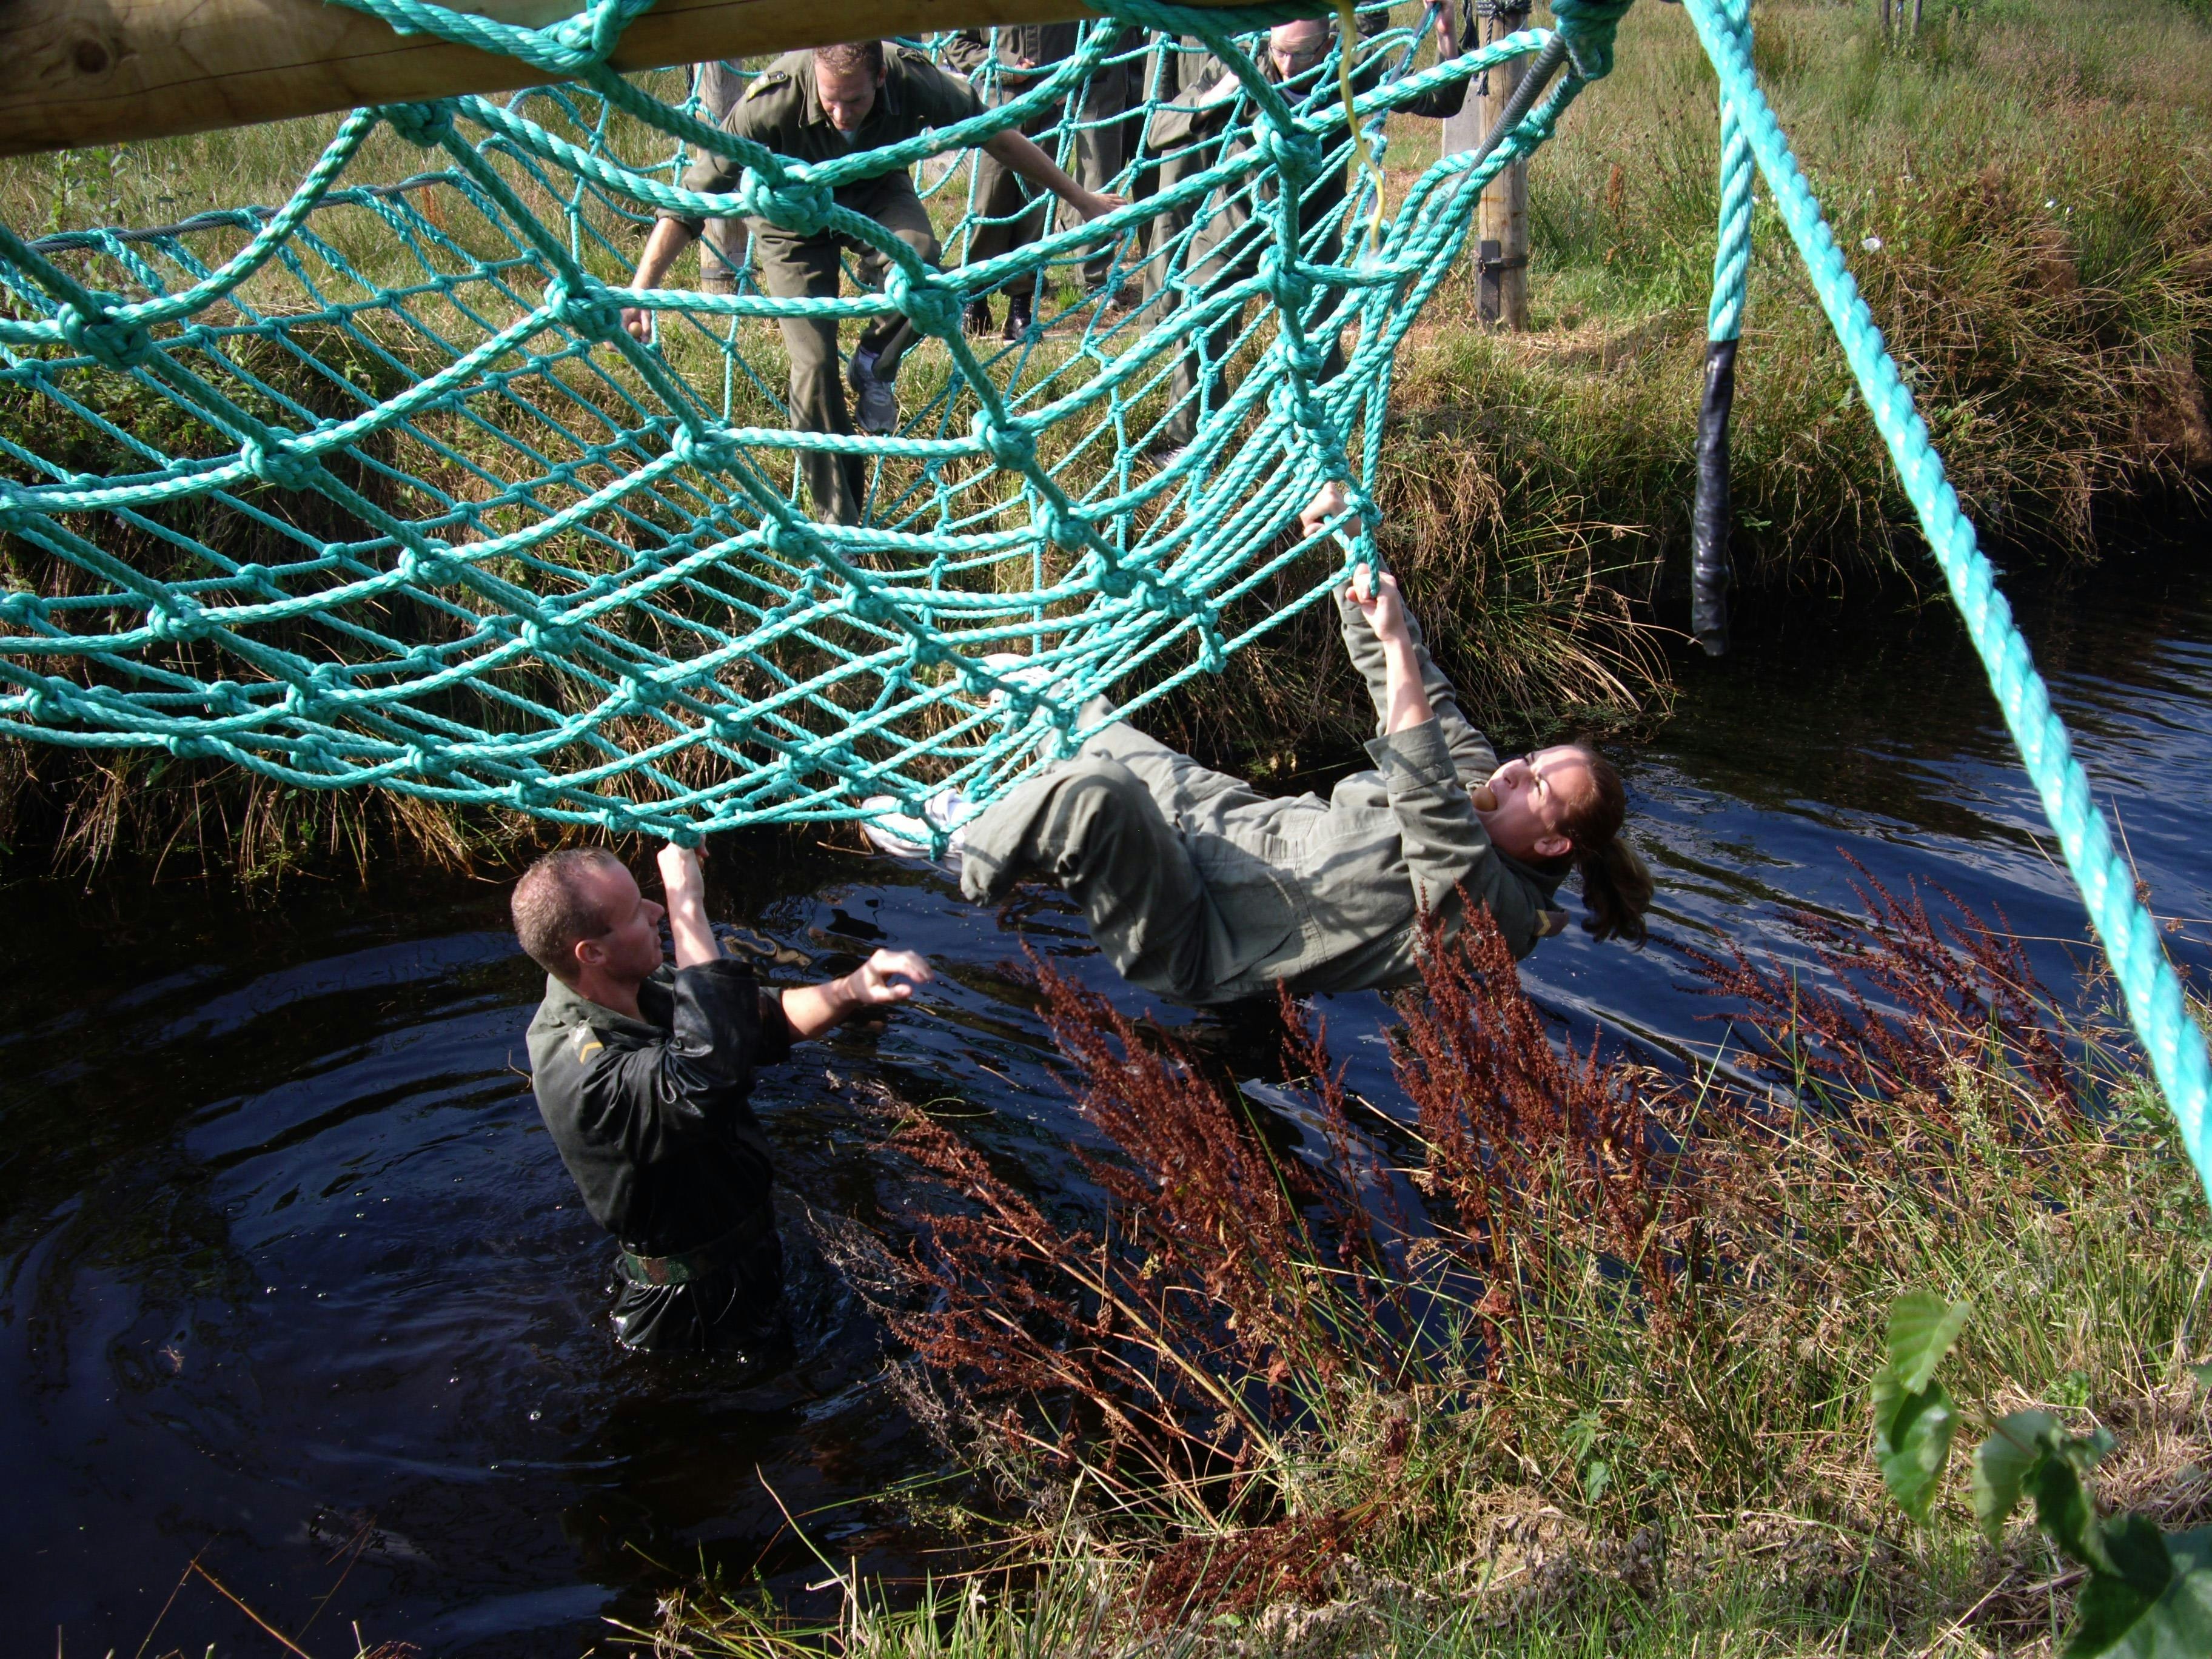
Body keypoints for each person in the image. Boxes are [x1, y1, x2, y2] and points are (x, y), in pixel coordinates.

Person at [863, 482, 1654, 1005]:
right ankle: (969, 724)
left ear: (1551, 846)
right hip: (1219, 824)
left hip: (1201, 931)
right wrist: (1354, 550)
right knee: (1067, 706)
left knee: (1093, 800)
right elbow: (1408, 678)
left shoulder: (1498, 918)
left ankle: (959, 843)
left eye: (1538, 788)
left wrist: (1404, 658)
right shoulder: (1484, 778)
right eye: (1534, 760)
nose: (1516, 770)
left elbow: (1427, 801)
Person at [622, 41, 1125, 525]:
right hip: (790, 220)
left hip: (876, 191)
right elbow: (690, 199)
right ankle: (841, 525)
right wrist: (643, 289)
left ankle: (873, 364)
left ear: (880, 78)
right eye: (830, 101)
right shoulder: (769, 105)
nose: (842, 115)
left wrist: (1080, 198)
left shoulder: (911, 78)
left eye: (856, 100)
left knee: (923, 269)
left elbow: (996, 134)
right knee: (814, 367)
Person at [513, 840, 930, 1363]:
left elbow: (756, 1021)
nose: (656, 910)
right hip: (691, 1312)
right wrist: (689, 905)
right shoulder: (581, 1067)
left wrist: (851, 990)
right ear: (591, 953)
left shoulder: (640, 987)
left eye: (655, 901)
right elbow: (706, 1072)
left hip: (745, 1257)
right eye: (635, 913)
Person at [1144, 13, 1464, 466]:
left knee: (1317, 338)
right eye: (1282, 52)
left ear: (1328, 38)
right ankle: (1195, 441)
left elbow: (1442, 98)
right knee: (1200, 318)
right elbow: (1159, 131)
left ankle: (1318, 445)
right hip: (1233, 223)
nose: (1290, 65)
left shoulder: (1353, 65)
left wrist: (1447, 34)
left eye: (1304, 52)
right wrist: (1222, 93)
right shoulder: (1245, 59)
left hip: (1310, 228)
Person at [940, 23, 1136, 339]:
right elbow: (957, 42)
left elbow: (1098, 31)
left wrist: (1071, 77)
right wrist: (1005, 67)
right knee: (989, 202)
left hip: (1050, 103)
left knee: (1036, 208)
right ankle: (975, 297)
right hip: (998, 103)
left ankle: (1020, 304)